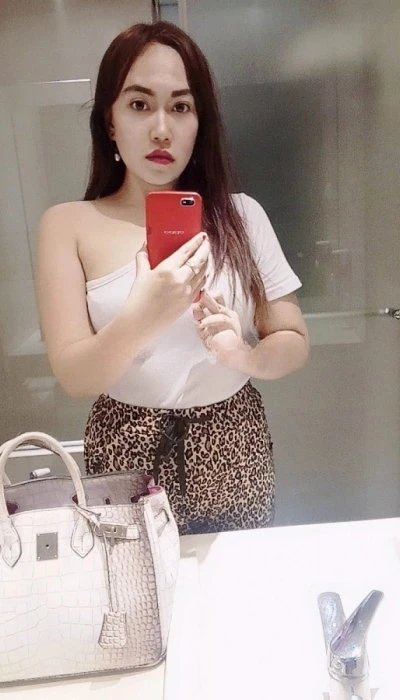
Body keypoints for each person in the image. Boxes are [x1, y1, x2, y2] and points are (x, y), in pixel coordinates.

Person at [36, 21, 309, 535]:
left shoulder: (242, 216)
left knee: (237, 579)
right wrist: (143, 318)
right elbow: (74, 377)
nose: (162, 129)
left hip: (233, 439)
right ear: (110, 121)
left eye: (181, 107)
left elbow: (293, 340)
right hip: (124, 446)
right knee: (135, 583)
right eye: (140, 104)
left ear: (199, 122)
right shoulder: (67, 225)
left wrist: (244, 356)